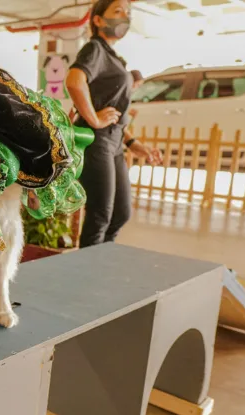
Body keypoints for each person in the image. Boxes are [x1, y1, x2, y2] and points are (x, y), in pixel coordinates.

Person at [66, 0, 162, 248]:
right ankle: (88, 274)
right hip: (96, 142)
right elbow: (75, 81)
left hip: (115, 142)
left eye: (128, 13)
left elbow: (114, 111)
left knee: (120, 214)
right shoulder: (94, 49)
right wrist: (94, 119)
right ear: (98, 20)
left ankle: (101, 263)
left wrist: (133, 143)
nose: (125, 17)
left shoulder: (113, 57)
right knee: (100, 215)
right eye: (118, 11)